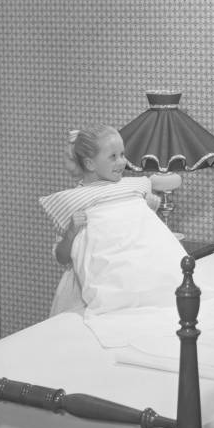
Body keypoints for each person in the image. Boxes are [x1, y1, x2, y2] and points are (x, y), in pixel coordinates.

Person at [44, 124, 161, 315]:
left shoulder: (128, 193)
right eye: (113, 156)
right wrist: (72, 231)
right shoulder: (77, 200)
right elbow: (61, 257)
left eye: (123, 154)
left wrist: (148, 211)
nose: (122, 162)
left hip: (123, 280)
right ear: (90, 164)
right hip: (84, 287)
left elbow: (135, 241)